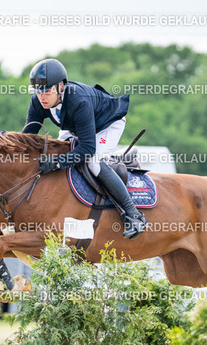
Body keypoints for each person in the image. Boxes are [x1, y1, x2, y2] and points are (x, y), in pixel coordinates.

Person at [23, 58, 147, 239]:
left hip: (107, 123)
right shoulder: (38, 101)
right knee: (58, 150)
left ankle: (133, 214)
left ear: (60, 87)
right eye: (38, 91)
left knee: (92, 162)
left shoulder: (78, 101)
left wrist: (57, 164)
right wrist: (8, 143)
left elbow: (87, 148)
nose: (42, 96)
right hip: (77, 125)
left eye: (47, 91)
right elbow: (29, 136)